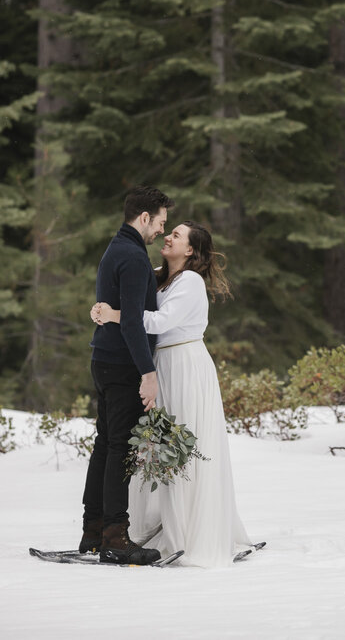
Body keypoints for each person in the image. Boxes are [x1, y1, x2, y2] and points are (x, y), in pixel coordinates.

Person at [91, 220, 253, 567]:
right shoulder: (157, 273)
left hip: (185, 364)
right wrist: (101, 310)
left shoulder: (190, 281)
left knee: (185, 443)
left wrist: (115, 315)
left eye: (176, 235)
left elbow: (159, 322)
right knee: (159, 446)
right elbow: (129, 297)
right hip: (159, 365)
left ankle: (193, 526)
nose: (168, 236)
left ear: (191, 250)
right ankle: (156, 521)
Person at [80, 185, 173, 565]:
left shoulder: (116, 248)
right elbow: (134, 323)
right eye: (161, 223)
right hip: (121, 365)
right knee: (120, 448)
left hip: (104, 360)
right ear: (145, 217)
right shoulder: (133, 257)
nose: (162, 233)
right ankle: (116, 537)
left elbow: (119, 310)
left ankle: (94, 530)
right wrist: (147, 373)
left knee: (106, 444)